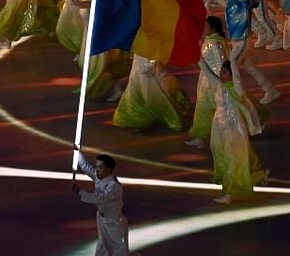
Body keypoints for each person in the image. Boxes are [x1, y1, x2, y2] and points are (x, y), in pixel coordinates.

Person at [202, 61, 268, 204]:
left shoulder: (237, 89)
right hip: (219, 127)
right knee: (227, 152)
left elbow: (237, 76)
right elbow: (206, 70)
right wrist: (196, 54)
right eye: (221, 71)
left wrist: (232, 58)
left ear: (232, 75)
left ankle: (229, 193)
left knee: (233, 159)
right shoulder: (219, 85)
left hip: (234, 129)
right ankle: (258, 175)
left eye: (225, 72)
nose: (221, 74)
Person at [70, 148, 130, 256]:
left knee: (119, 252)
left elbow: (101, 198)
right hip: (102, 220)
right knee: (102, 248)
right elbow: (86, 167)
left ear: (109, 169)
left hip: (114, 223)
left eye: (100, 167)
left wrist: (80, 192)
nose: (96, 170)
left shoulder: (114, 186)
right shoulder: (99, 177)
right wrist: (77, 152)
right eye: (96, 166)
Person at [112, 53, 190, 132]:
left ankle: (166, 117)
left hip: (150, 68)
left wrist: (149, 64)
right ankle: (139, 120)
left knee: (154, 92)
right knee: (139, 91)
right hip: (140, 64)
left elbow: (156, 49)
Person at [187, 16, 231, 149]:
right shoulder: (210, 41)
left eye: (206, 27)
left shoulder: (216, 45)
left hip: (213, 84)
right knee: (203, 111)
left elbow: (220, 66)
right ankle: (200, 137)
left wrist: (219, 83)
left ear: (213, 28)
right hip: (207, 83)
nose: (204, 29)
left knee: (217, 112)